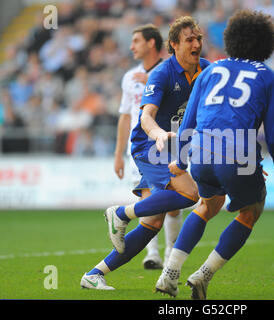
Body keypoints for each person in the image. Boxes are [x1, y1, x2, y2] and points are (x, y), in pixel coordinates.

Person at [155, 9, 274, 299]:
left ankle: (169, 273)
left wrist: (181, 161)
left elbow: (189, 121)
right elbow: (273, 137)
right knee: (253, 208)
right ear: (267, 43)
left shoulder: (209, 70)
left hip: (200, 154)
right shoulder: (271, 79)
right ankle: (203, 275)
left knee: (207, 205)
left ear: (231, 39)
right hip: (237, 153)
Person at [80, 16, 210, 290]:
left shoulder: (206, 70)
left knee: (151, 223)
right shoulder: (162, 73)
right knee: (191, 193)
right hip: (149, 146)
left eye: (198, 38)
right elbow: (145, 117)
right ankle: (122, 213)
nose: (197, 43)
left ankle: (95, 274)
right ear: (173, 45)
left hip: (174, 147)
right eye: (190, 39)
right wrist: (158, 133)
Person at [112, 24, 182, 270]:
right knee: (148, 198)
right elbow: (125, 116)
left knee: (172, 202)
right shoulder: (130, 78)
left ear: (151, 43)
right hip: (140, 148)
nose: (131, 46)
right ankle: (152, 253)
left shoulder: (169, 73)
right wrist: (118, 153)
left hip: (166, 143)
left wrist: (152, 78)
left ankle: (172, 251)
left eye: (136, 41)